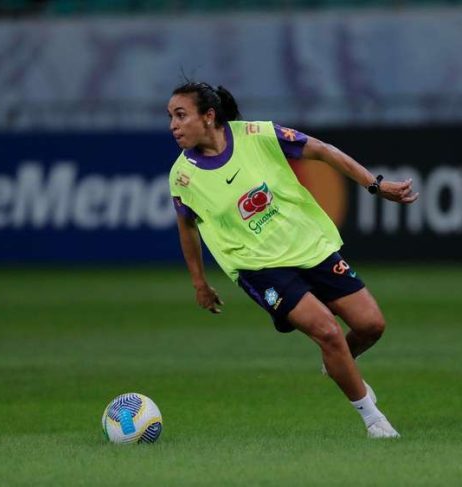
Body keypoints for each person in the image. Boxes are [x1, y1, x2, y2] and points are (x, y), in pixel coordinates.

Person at [167, 81, 418, 439]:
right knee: (328, 332)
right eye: (170, 117)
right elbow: (187, 227)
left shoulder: (258, 134)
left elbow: (324, 151)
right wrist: (199, 283)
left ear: (209, 117)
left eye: (181, 115)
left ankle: (339, 365)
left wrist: (375, 185)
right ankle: (374, 419)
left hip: (308, 246)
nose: (173, 126)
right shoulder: (182, 176)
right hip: (259, 267)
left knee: (371, 325)